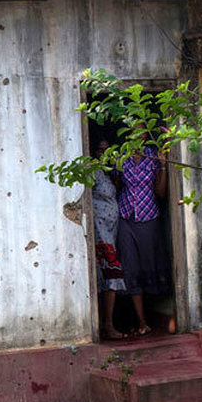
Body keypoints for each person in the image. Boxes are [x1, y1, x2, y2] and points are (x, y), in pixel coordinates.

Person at [115, 141, 172, 335]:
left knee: (149, 265)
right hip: (125, 216)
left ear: (145, 135)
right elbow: (116, 185)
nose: (135, 136)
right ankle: (141, 321)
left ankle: (148, 315)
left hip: (148, 216)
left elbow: (161, 193)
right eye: (132, 132)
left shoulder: (153, 157)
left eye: (139, 130)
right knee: (129, 266)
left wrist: (163, 166)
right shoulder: (122, 156)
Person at [92, 139, 126, 339]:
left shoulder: (108, 171)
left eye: (108, 150)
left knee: (110, 275)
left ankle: (108, 324)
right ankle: (106, 325)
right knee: (109, 274)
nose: (104, 153)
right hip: (100, 233)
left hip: (110, 232)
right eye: (101, 149)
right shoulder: (92, 170)